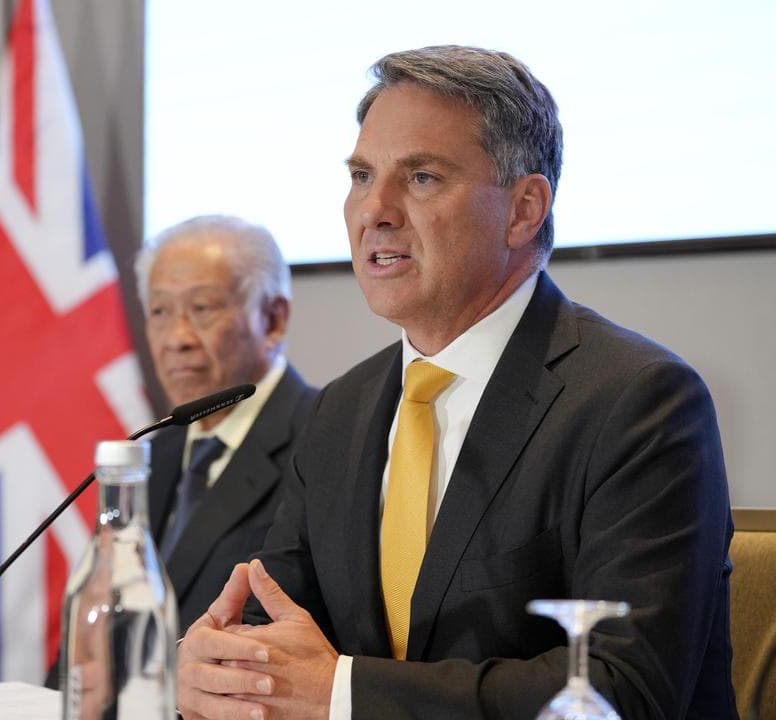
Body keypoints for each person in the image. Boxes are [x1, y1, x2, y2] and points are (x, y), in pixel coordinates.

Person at [176, 46, 734, 720]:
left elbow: (623, 690)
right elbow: (275, 623)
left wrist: (342, 694)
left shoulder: (639, 402)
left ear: (524, 209)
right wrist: (219, 664)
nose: (374, 210)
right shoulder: (339, 412)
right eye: (361, 175)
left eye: (421, 177)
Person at [136, 215, 317, 634]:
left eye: (201, 308)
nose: (176, 339)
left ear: (273, 320)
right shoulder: (153, 453)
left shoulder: (325, 439)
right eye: (160, 311)